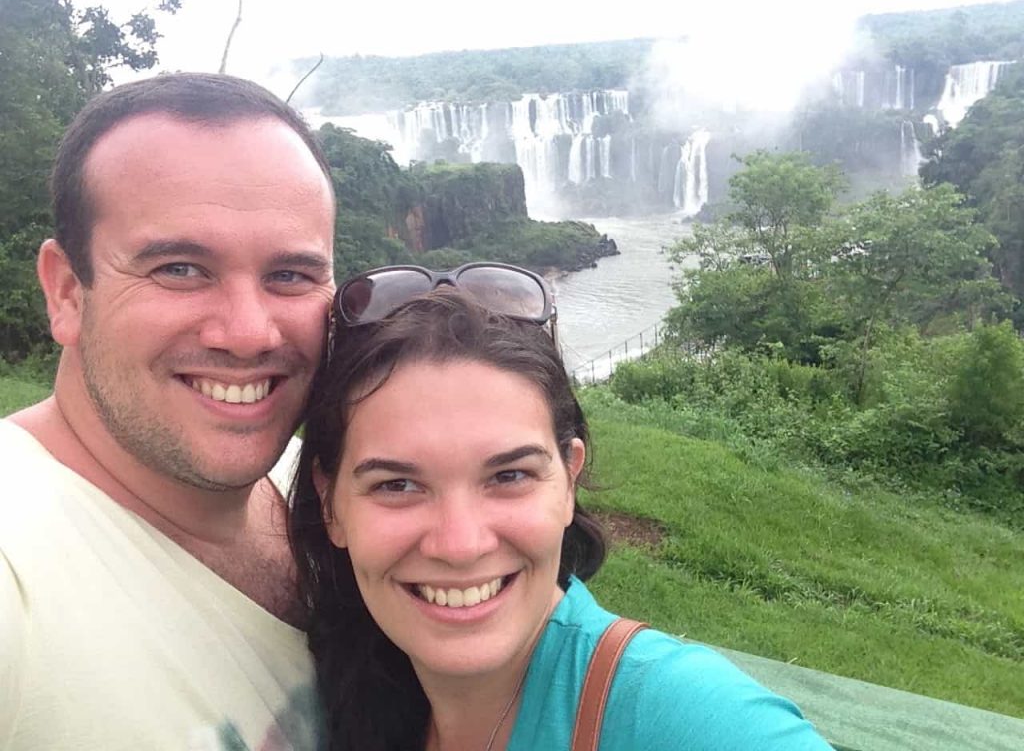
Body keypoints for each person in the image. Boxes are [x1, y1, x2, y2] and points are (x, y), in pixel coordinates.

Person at [289, 267, 834, 751]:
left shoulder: (690, 718)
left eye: (509, 476)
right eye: (398, 485)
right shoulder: (351, 692)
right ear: (330, 503)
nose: (460, 545)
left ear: (569, 480)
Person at [0, 73, 336, 751]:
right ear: (66, 291)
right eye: (180, 269)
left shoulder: (325, 490)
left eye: (291, 275)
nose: (249, 333)